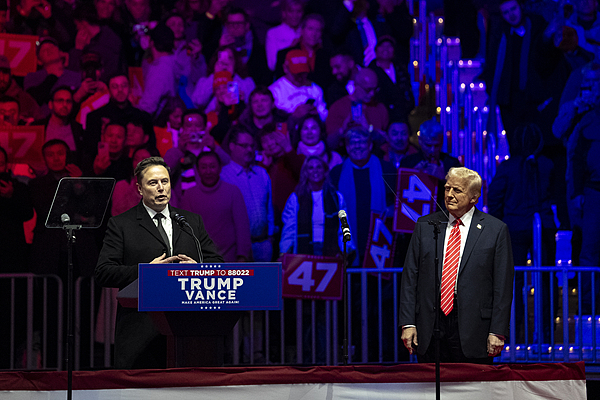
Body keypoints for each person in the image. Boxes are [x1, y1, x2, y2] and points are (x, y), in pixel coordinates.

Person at [95, 156, 223, 369]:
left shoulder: (191, 222)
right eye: (153, 183)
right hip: (140, 334)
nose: (161, 188)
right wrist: (146, 272)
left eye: (165, 181)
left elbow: (216, 262)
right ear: (140, 189)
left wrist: (198, 269)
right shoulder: (121, 225)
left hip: (188, 332)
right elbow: (104, 272)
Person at [400, 167, 515, 363]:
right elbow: (410, 277)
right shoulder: (425, 226)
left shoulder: (495, 230)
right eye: (447, 188)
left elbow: (502, 286)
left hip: (475, 330)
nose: (449, 195)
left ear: (474, 197)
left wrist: (497, 331)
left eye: (457, 190)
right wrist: (408, 323)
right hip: (431, 326)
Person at [488, 124, 557, 343]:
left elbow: (494, 197)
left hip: (515, 227)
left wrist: (500, 221)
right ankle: (545, 333)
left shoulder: (508, 167)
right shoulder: (547, 164)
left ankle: (513, 333)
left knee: (513, 281)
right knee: (545, 278)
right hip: (543, 226)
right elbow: (556, 195)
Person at [179, 151, 252, 262]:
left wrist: (242, 256)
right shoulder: (189, 195)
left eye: (212, 166)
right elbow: (185, 231)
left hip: (229, 260)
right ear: (197, 170)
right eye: (204, 167)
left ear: (220, 168)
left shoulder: (233, 192)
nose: (208, 171)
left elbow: (242, 228)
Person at [221, 126, 275, 262]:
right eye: (244, 146)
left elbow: (269, 208)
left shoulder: (261, 173)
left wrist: (270, 237)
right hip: (237, 248)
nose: (250, 150)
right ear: (232, 146)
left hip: (263, 244)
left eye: (252, 146)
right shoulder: (223, 176)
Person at [269, 49, 328, 121]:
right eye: (296, 74)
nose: (300, 78)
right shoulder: (274, 91)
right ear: (285, 69)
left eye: (303, 73)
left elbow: (324, 115)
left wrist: (317, 115)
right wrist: (294, 116)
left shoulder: (315, 89)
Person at [137, 22, 178, 118]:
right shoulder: (174, 61)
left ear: (151, 42)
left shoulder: (159, 69)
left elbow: (147, 107)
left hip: (159, 121)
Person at [265, 0, 303, 71]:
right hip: (282, 75)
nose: (295, 15)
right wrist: (291, 48)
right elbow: (272, 65)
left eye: (298, 11)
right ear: (284, 13)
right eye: (291, 11)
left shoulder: (308, 30)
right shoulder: (273, 33)